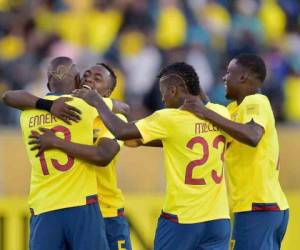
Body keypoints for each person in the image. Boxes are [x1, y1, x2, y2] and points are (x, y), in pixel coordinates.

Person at [74, 62, 231, 250]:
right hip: (218, 219)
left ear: (173, 90)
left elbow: (122, 132)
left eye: (163, 92)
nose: (163, 99)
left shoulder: (169, 118)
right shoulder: (221, 113)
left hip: (182, 218)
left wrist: (98, 101)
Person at [2, 57, 112, 250]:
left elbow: (8, 96)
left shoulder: (26, 114)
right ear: (78, 81)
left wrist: (48, 106)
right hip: (81, 203)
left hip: (44, 206)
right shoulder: (89, 108)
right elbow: (121, 108)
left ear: (47, 84)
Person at [182, 54, 289, 250]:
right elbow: (218, 122)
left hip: (258, 206)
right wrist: (197, 93)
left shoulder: (256, 101)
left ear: (243, 77)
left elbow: (252, 136)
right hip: (262, 207)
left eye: (229, 72)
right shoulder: (234, 109)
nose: (224, 77)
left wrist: (205, 112)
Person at [29, 63, 132, 250]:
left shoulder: (116, 123)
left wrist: (56, 142)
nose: (89, 79)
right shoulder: (66, 113)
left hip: (106, 212)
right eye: (86, 75)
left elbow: (103, 155)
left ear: (107, 93)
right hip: (72, 211)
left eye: (97, 78)